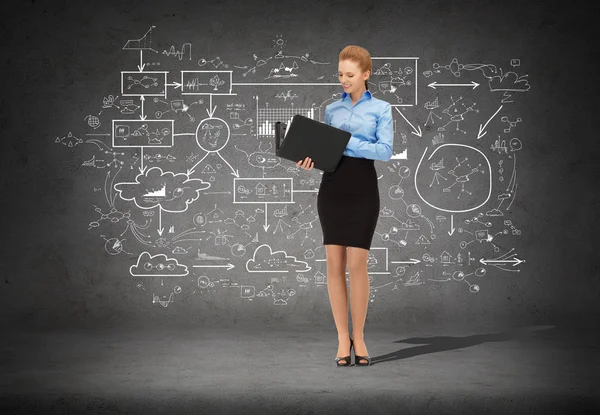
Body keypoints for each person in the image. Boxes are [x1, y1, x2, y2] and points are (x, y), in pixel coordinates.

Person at [297, 45, 394, 367]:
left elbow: (384, 152)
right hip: (332, 185)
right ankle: (342, 338)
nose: (344, 80)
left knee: (357, 265)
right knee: (334, 264)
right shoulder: (332, 110)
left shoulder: (381, 108)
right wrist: (311, 159)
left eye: (350, 75)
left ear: (366, 74)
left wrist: (346, 140)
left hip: (363, 186)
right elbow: (328, 152)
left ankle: (361, 337)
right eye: (340, 74)